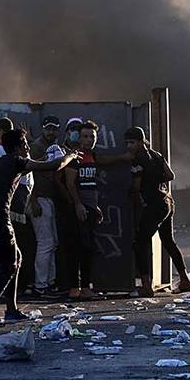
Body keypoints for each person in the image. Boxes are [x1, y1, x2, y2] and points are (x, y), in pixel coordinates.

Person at [0, 129, 77, 327]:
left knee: (16, 259)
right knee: (9, 265)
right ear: (18, 147)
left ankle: (11, 309)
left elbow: (35, 163)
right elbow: (53, 166)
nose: (28, 147)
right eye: (25, 144)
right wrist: (70, 156)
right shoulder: (16, 162)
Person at [59, 120, 129, 300]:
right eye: (85, 136)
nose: (89, 140)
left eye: (92, 137)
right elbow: (69, 183)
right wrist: (78, 205)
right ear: (79, 138)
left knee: (86, 248)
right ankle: (78, 288)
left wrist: (94, 206)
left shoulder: (92, 156)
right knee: (79, 248)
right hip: (78, 210)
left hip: (89, 208)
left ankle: (80, 288)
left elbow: (92, 180)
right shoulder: (75, 157)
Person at [125, 127, 190, 297]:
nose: (129, 146)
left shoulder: (138, 160)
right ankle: (185, 280)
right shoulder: (157, 155)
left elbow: (136, 186)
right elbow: (170, 175)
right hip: (167, 202)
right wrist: (156, 179)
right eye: (127, 143)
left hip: (154, 205)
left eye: (132, 143)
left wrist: (133, 194)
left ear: (141, 142)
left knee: (140, 242)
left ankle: (146, 286)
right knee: (168, 241)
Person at [0, 118, 36, 294]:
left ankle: (12, 303)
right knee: (11, 259)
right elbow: (45, 167)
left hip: (15, 204)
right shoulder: (6, 157)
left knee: (15, 256)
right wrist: (67, 158)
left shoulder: (3, 153)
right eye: (25, 144)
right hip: (11, 208)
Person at [28, 115, 66, 300]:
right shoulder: (36, 147)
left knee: (52, 243)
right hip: (40, 198)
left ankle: (49, 283)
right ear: (43, 128)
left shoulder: (53, 147)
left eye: (54, 128)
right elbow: (29, 174)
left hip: (48, 198)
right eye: (48, 128)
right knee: (45, 243)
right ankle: (41, 285)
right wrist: (33, 200)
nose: (51, 132)